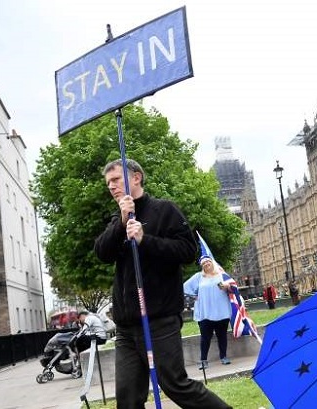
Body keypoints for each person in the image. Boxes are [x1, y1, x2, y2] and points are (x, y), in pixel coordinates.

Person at [94, 158, 230, 409]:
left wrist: (146, 239)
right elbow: (102, 252)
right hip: (126, 325)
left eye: (116, 180)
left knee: (175, 384)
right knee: (127, 398)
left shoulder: (164, 210)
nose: (111, 187)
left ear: (136, 177)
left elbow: (189, 250)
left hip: (159, 318)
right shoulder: (118, 219)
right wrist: (121, 224)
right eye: (108, 183)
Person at [183, 255, 233, 370]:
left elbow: (233, 288)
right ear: (202, 266)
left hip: (221, 311)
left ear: (212, 263)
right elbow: (185, 288)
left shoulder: (222, 274)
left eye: (208, 261)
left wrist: (227, 286)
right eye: (203, 263)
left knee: (222, 336)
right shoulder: (198, 277)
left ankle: (223, 357)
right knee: (205, 337)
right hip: (205, 312)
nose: (206, 264)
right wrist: (193, 296)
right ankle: (203, 360)